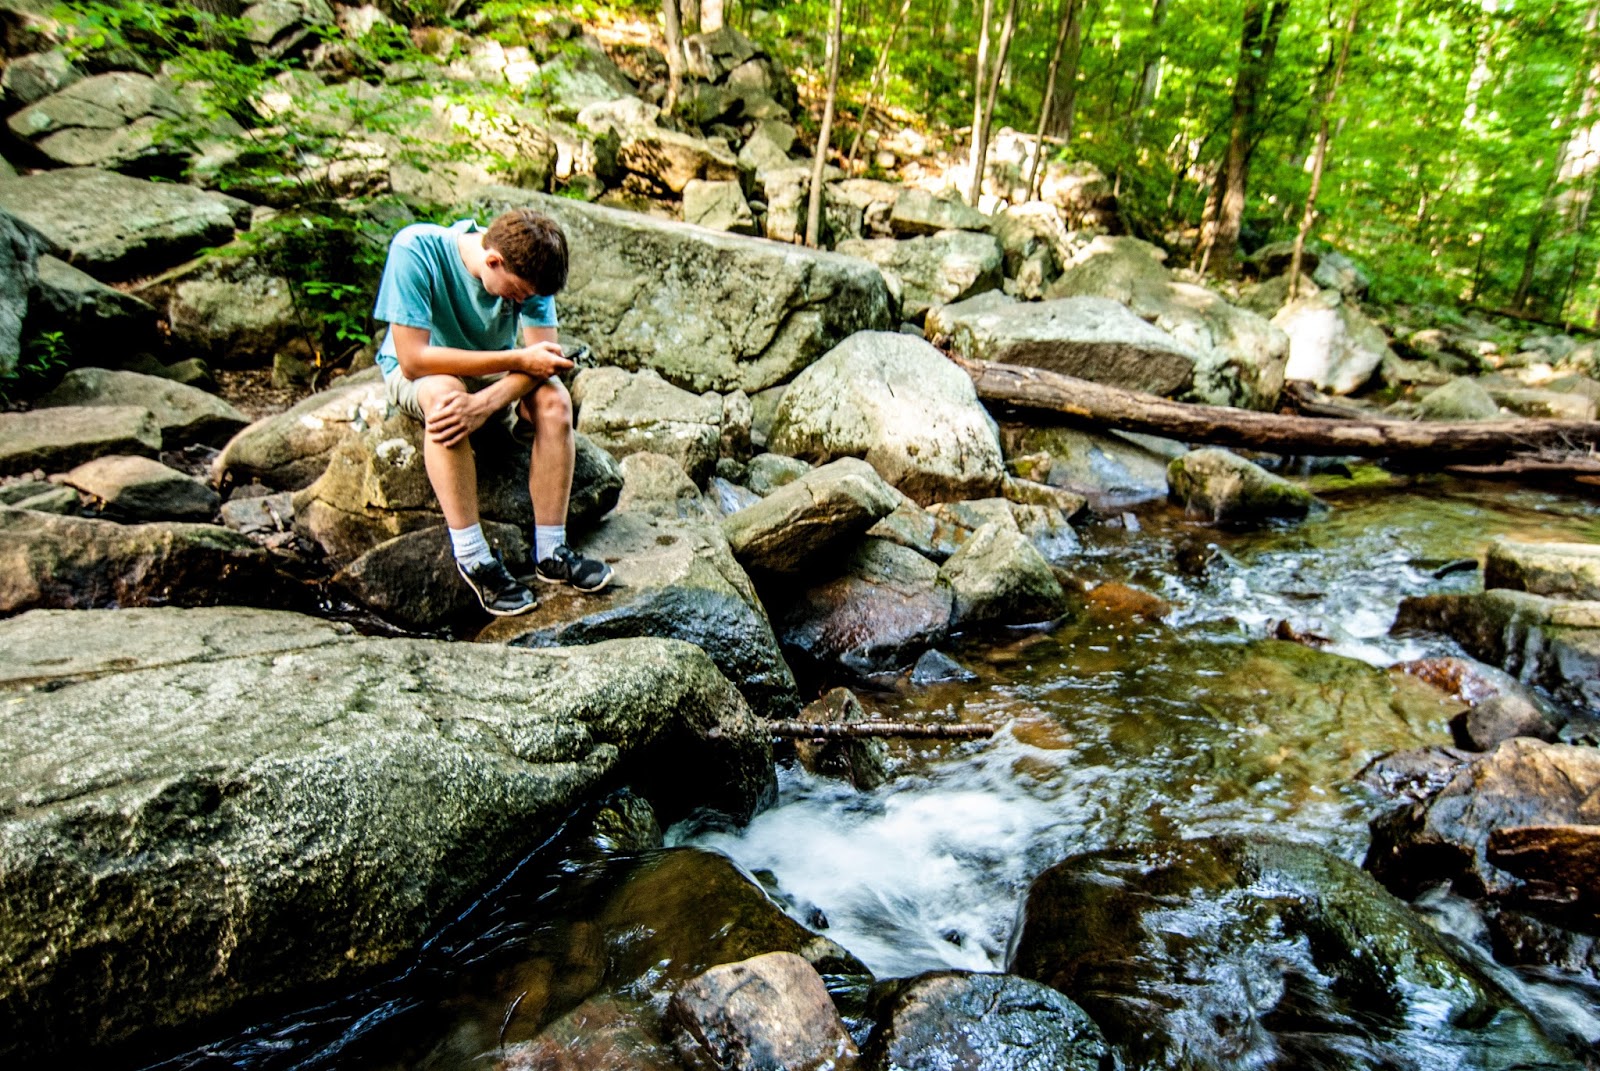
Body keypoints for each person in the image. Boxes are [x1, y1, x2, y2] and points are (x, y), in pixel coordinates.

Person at [372, 208, 613, 616]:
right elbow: (414, 359)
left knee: (555, 402)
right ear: (493, 261)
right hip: (424, 373)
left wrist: (485, 403)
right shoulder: (414, 250)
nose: (520, 302)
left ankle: (551, 550)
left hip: (494, 371)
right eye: (516, 294)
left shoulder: (533, 270)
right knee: (448, 399)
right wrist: (515, 362)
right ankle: (475, 557)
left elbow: (544, 362)